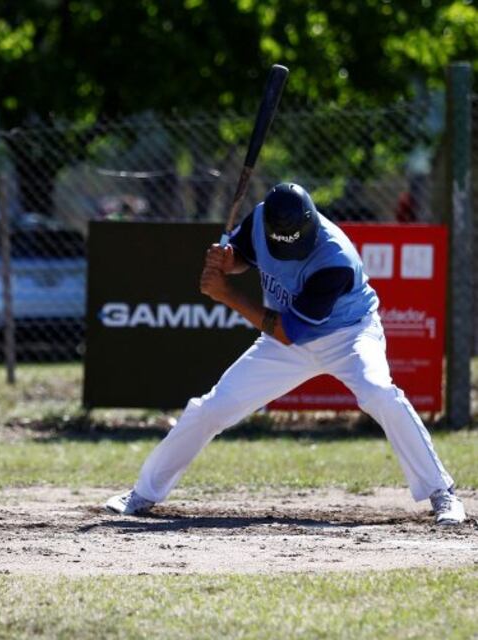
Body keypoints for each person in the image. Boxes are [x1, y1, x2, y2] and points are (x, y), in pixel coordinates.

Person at [105, 182, 466, 526]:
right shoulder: (263, 217)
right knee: (211, 408)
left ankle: (442, 492)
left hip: (348, 334)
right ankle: (143, 494)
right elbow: (242, 257)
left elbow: (288, 332)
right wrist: (227, 261)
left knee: (380, 394)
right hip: (287, 338)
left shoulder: (334, 260)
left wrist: (225, 293)